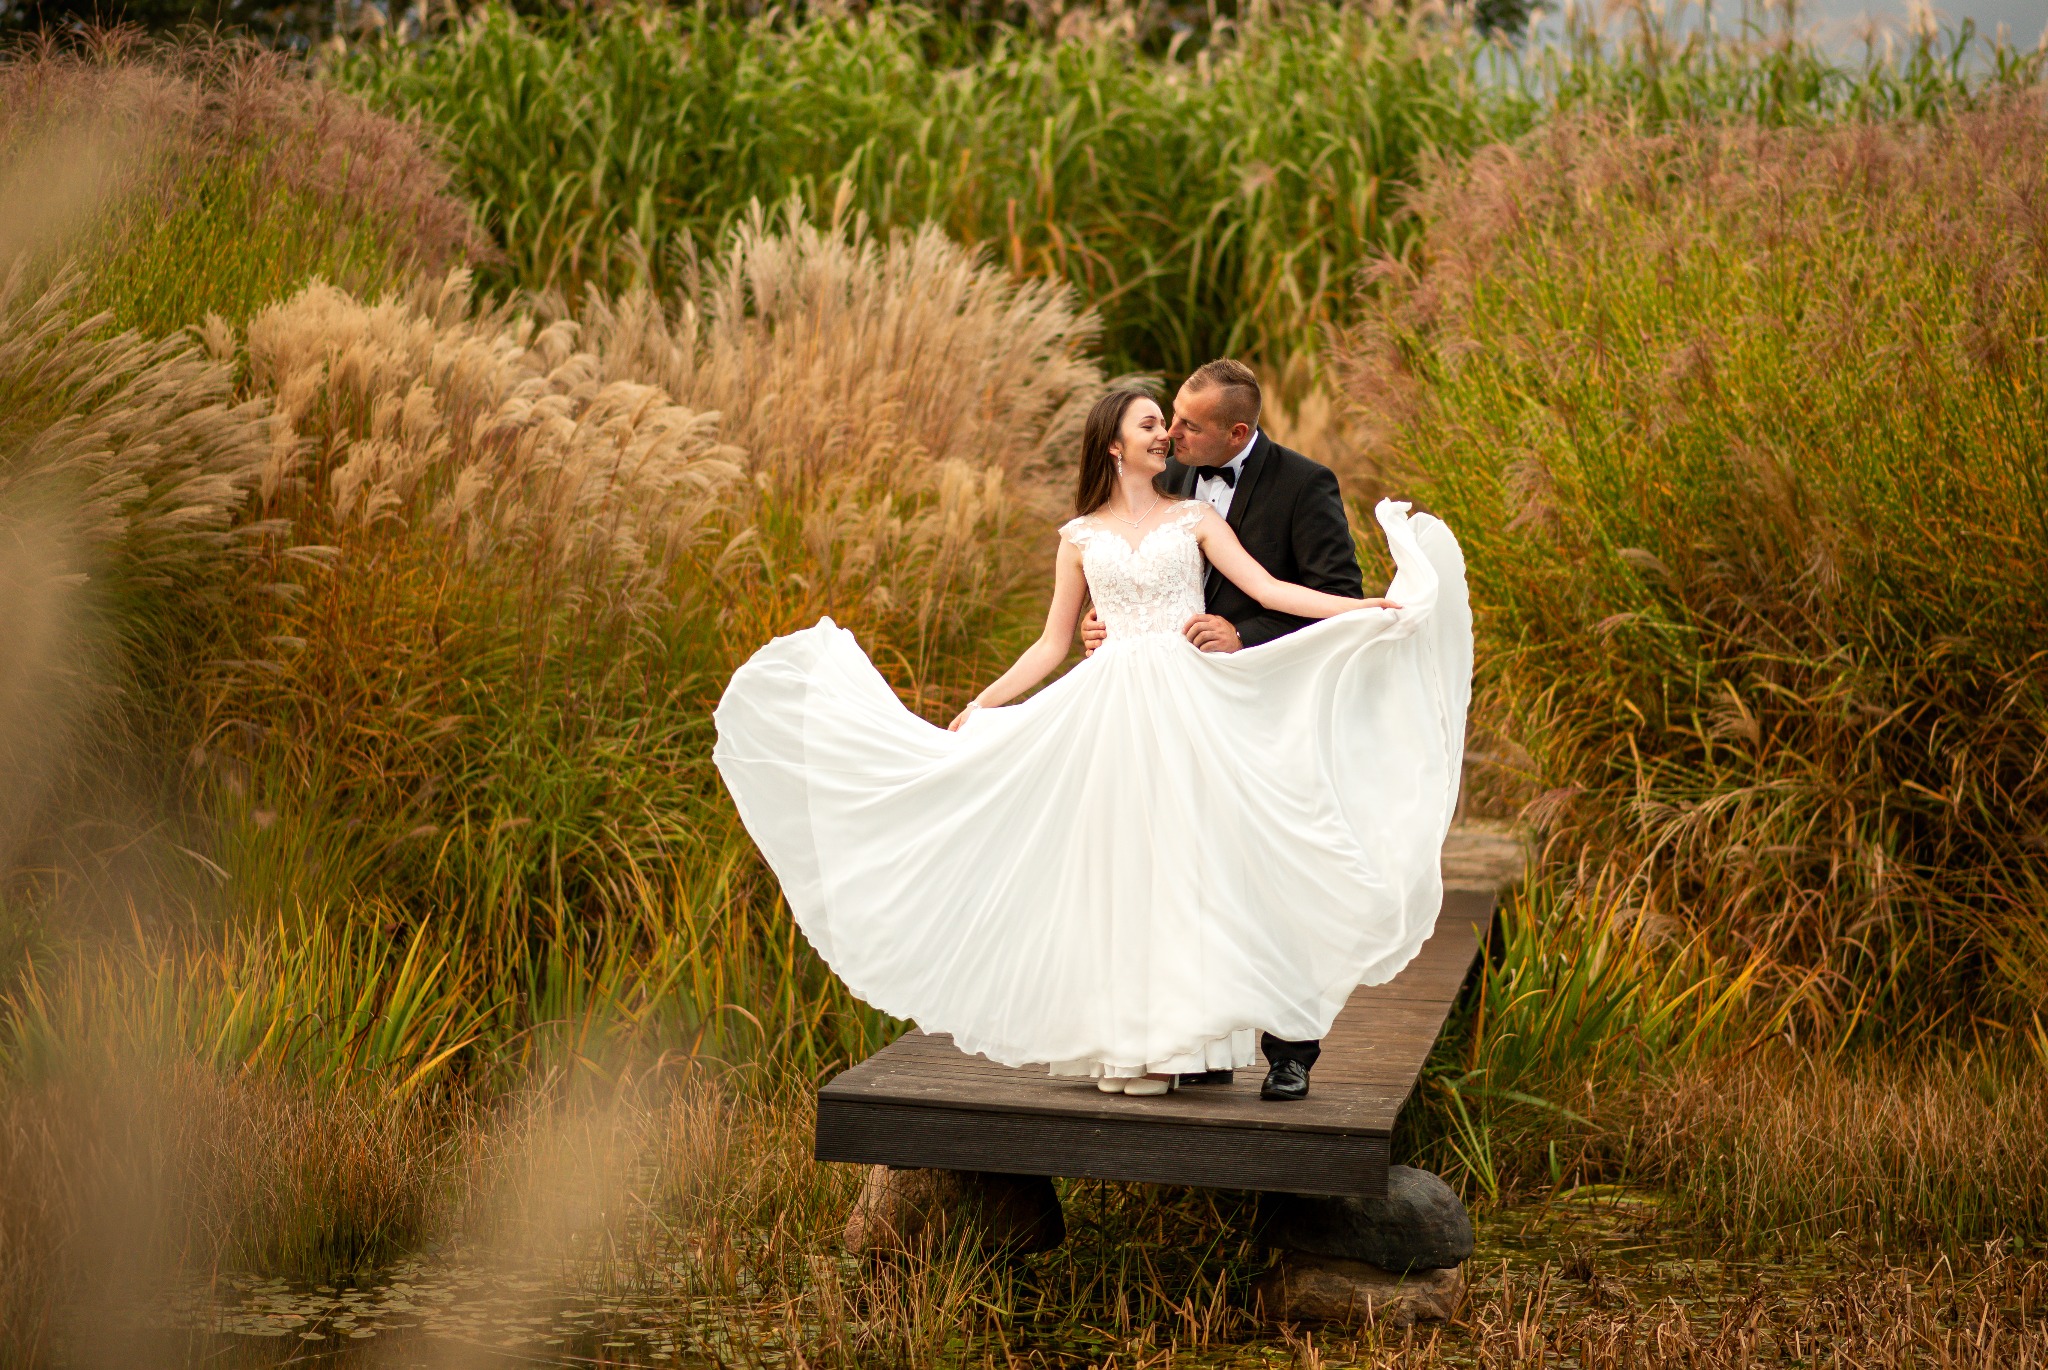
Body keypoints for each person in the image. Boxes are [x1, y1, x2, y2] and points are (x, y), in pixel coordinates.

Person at [713, 382, 1471, 1102]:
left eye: (1169, 424)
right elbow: (1049, 646)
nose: (1165, 435)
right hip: (1110, 707)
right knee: (1122, 868)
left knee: (1191, 863)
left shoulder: (1195, 520)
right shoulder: (1078, 538)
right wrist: (982, 703)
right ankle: (1127, 1044)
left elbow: (1272, 593)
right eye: (1150, 424)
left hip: (1188, 703)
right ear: (1112, 445)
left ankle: (1194, 1045)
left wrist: (1366, 608)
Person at [1080, 359, 1368, 1099]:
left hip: (1267, 705)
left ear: (1236, 432)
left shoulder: (1305, 485)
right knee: (1183, 873)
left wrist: (1245, 637)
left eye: (1189, 425)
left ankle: (1291, 1050)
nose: (1172, 432)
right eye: (1167, 417)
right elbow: (1141, 571)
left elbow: (1331, 594)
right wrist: (1103, 626)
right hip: (1171, 716)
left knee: (1272, 871)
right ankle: (1200, 1038)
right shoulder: (1165, 487)